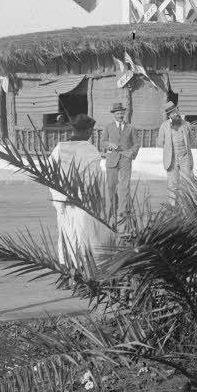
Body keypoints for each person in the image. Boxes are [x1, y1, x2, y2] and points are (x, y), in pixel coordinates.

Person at [47, 114, 111, 276]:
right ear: (88, 130)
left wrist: (60, 199)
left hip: (64, 203)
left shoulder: (58, 149)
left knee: (68, 238)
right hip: (83, 204)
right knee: (85, 238)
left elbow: (50, 176)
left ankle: (71, 275)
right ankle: (87, 276)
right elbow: (94, 180)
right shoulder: (88, 151)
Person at [102, 102, 139, 233]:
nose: (120, 115)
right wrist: (111, 145)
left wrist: (131, 154)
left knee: (124, 187)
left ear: (124, 114)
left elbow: (136, 144)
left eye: (122, 113)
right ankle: (112, 212)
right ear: (114, 115)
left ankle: (123, 213)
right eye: (118, 113)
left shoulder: (130, 128)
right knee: (111, 187)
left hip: (125, 160)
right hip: (111, 160)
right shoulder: (108, 127)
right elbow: (103, 142)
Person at [157, 103, 194, 206]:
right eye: (172, 113)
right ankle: (173, 206)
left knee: (188, 181)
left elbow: (191, 139)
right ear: (169, 116)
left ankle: (187, 205)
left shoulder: (186, 124)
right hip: (171, 158)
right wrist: (168, 148)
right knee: (173, 184)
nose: (175, 114)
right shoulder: (164, 126)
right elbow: (160, 142)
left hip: (185, 156)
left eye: (176, 111)